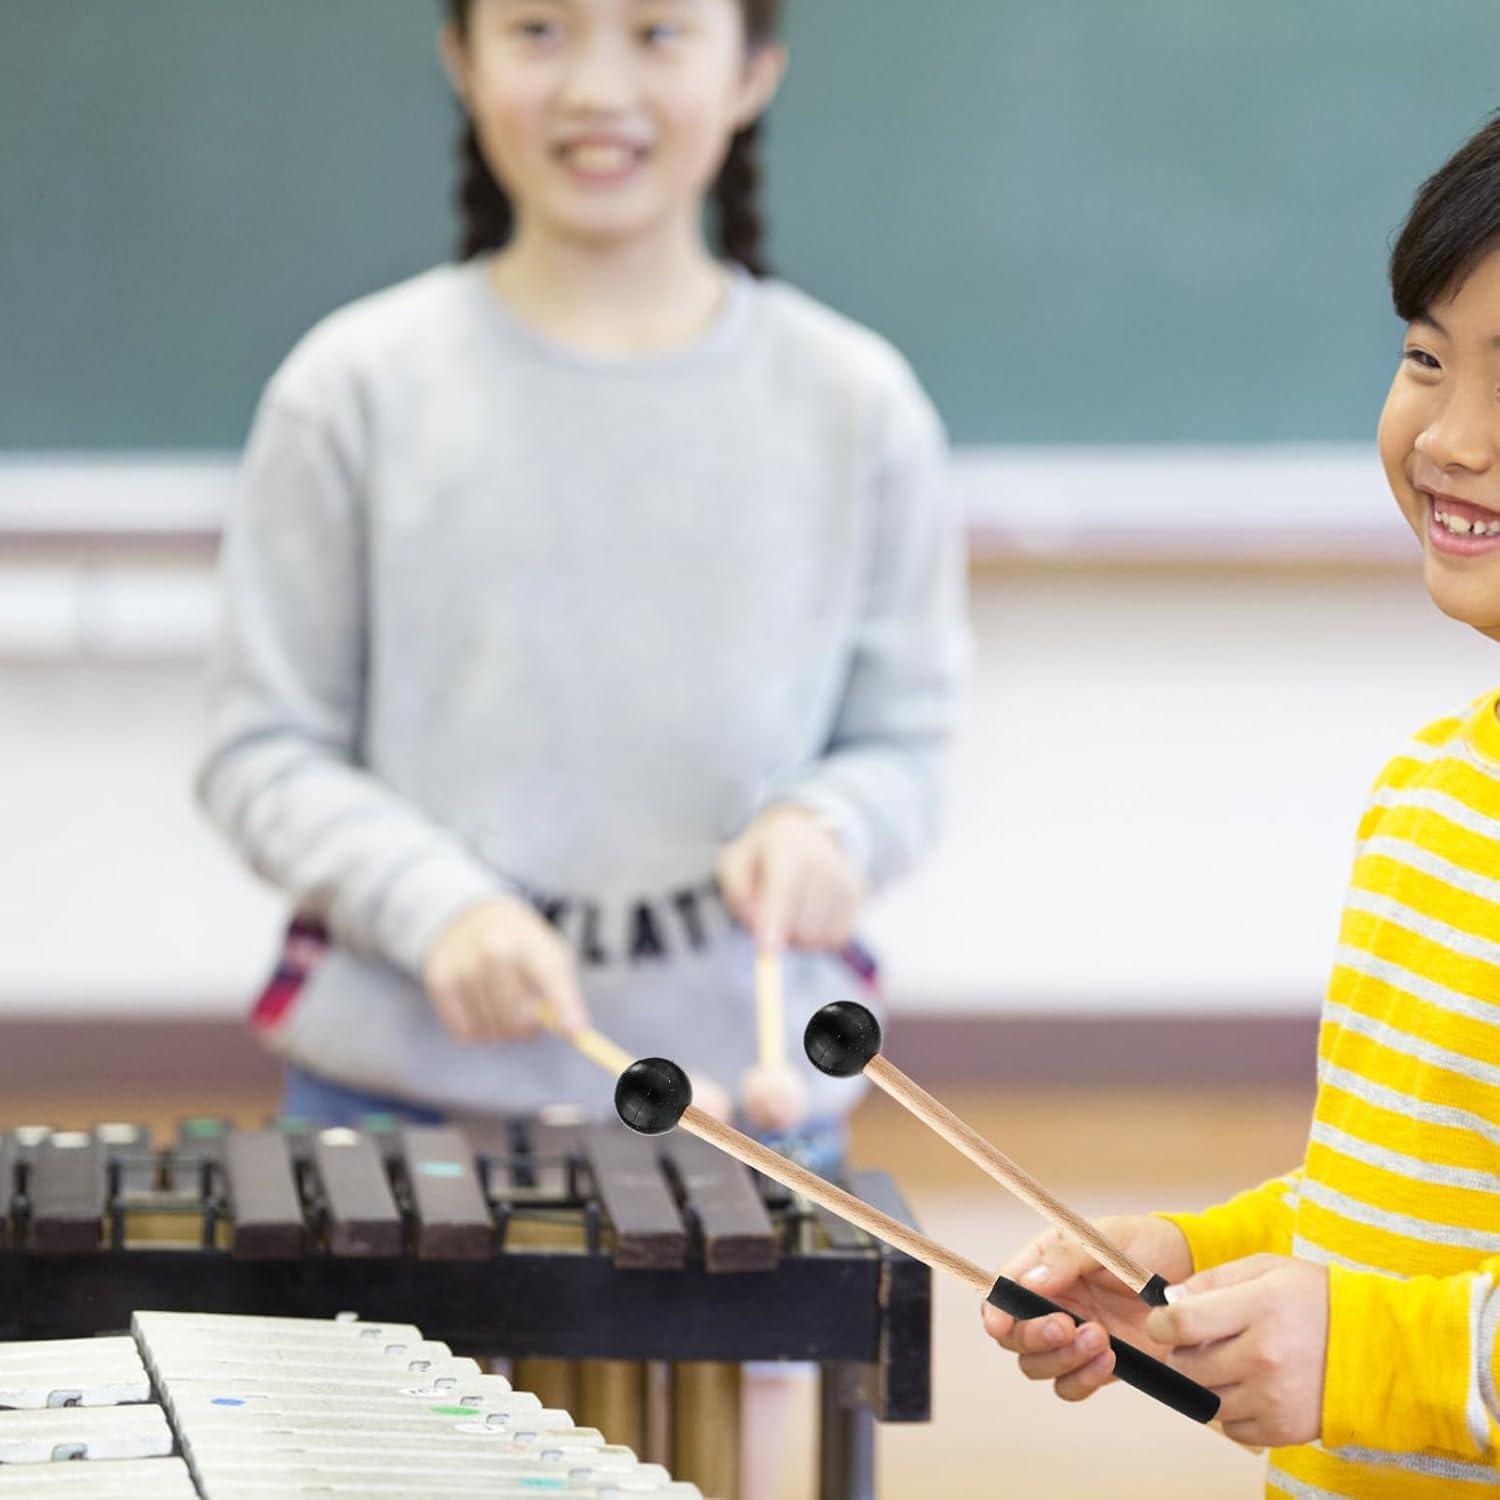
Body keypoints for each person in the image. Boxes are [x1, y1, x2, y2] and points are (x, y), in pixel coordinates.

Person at [196, 0, 967, 1176]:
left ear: (753, 69)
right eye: (540, 31)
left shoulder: (856, 404)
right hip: (397, 1120)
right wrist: (433, 905)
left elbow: (904, 746)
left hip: (754, 1126)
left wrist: (832, 826)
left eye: (659, 33)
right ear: (460, 56)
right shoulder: (351, 390)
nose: (597, 89)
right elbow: (261, 749)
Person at [984, 111, 1500, 1497]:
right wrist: (1192, 1263)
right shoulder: (1435, 790)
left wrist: (1360, 1356)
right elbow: (1393, 1218)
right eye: (1425, 360)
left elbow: (1388, 1328)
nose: (1452, 438)